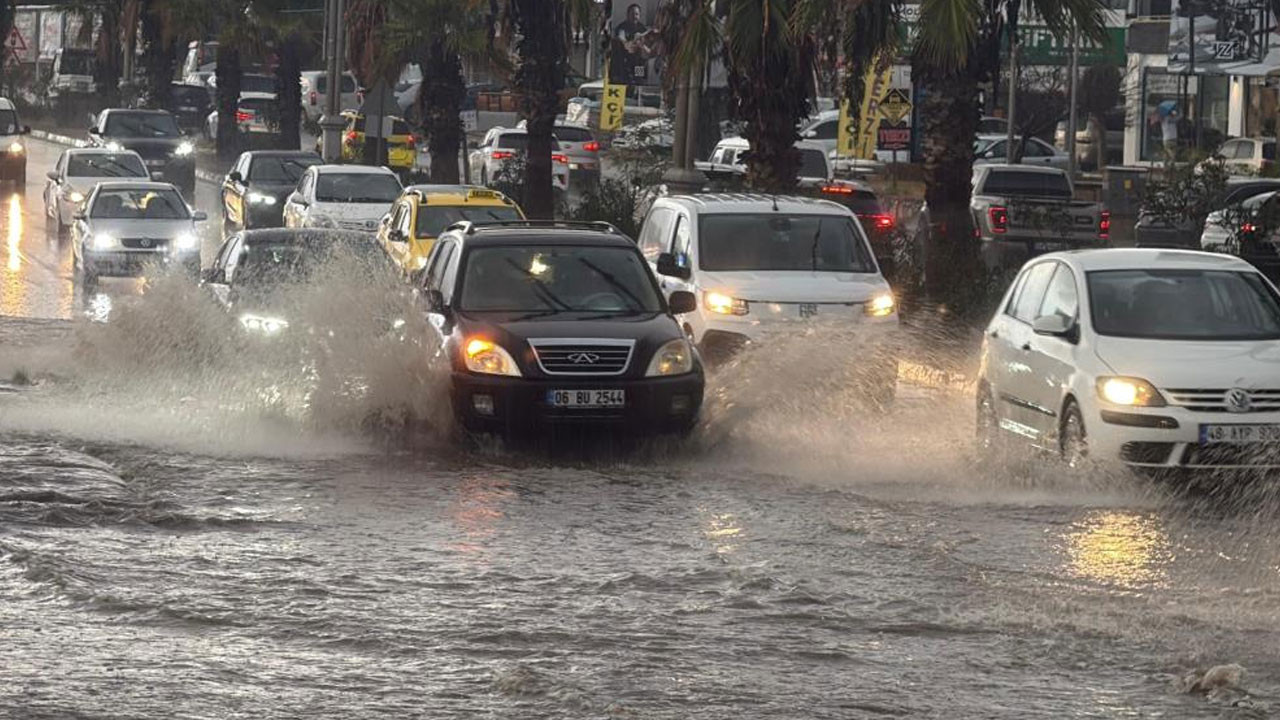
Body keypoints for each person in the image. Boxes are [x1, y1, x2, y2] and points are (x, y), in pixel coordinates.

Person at [610, 4, 650, 85]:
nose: (635, 16)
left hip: (638, 63)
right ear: (628, 15)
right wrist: (628, 44)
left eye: (637, 14)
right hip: (623, 64)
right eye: (632, 14)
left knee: (639, 82)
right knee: (624, 84)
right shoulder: (622, 27)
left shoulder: (642, 28)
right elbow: (621, 38)